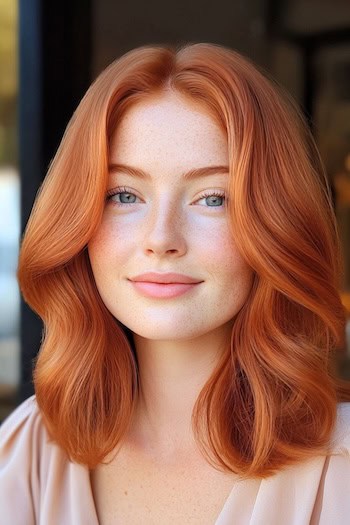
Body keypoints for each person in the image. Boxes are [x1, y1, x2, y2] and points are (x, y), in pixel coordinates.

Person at [0, 42, 349, 524]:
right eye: (124, 194)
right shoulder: (29, 453)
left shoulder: (341, 469)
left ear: (275, 225)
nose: (161, 238)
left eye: (212, 198)